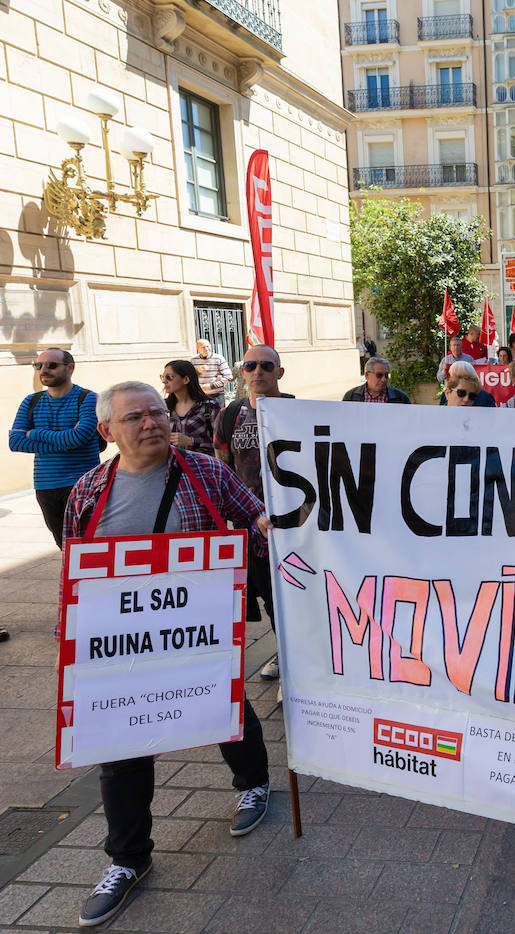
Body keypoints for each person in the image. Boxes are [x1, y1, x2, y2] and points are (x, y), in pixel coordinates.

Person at [65, 380, 273, 927]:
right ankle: (128, 860)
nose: (152, 423)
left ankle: (254, 785)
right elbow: (75, 570)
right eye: (135, 418)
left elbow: (252, 514)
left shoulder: (203, 472)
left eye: (156, 413)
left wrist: (266, 528)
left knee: (226, 714)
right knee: (121, 748)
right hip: (125, 645)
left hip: (198, 629)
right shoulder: (87, 491)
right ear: (108, 431)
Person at [214, 345, 292, 678]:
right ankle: (284, 654)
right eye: (250, 365)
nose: (257, 371)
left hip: (293, 524)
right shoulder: (231, 413)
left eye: (265, 365)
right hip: (250, 525)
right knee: (268, 597)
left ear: (279, 372)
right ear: (242, 372)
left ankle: (297, 659)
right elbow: (224, 465)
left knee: (292, 595)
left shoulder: (296, 411)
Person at [9, 348, 100, 548]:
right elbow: (15, 442)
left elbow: (80, 436)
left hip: (82, 484)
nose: (43, 370)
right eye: (38, 365)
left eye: (51, 365)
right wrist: (66, 442)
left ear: (70, 368)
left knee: (90, 544)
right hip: (46, 486)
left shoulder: (88, 398)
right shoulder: (31, 401)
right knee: (65, 546)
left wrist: (34, 433)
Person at [162, 360, 220, 456]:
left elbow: (221, 443)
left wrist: (191, 441)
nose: (164, 381)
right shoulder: (164, 408)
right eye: (163, 377)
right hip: (174, 467)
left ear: (186, 380)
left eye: (169, 377)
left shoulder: (209, 406)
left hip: (202, 467)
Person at [343, 357, 411, 403]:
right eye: (379, 375)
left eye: (386, 375)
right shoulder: (351, 397)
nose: (383, 379)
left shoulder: (401, 398)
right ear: (367, 375)